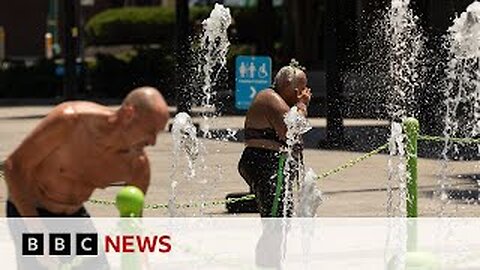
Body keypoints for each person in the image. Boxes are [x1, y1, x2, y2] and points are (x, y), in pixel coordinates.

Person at [4, 86, 170, 217]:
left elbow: (134, 223)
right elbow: (14, 166)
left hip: (75, 215)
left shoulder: (137, 165)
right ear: (128, 114)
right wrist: (35, 231)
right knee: (42, 259)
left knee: (97, 261)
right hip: (29, 210)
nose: (153, 142)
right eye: (150, 131)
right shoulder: (70, 122)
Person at [238, 64, 312, 217]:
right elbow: (293, 130)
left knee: (281, 220)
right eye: (300, 90)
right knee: (277, 221)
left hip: (269, 163)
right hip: (266, 163)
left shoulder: (279, 100)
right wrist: (302, 105)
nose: (303, 94)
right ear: (286, 85)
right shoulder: (270, 98)